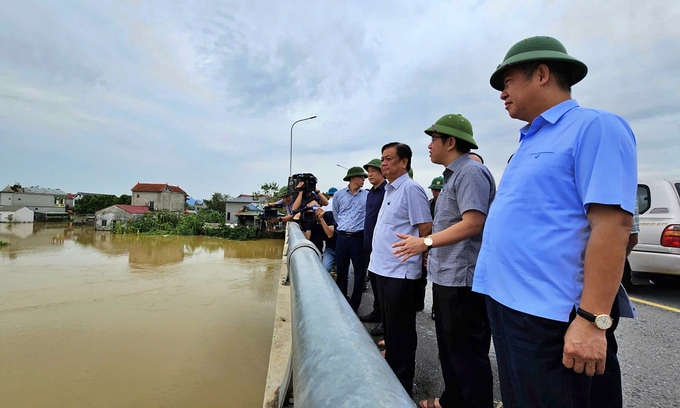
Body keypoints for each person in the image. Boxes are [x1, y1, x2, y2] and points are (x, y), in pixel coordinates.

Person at [472, 36, 637, 407]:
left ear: (542, 74)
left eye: (508, 81)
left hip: (553, 319)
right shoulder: (529, 141)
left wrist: (593, 321)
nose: (502, 93)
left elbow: (613, 226)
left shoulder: (594, 127)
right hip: (510, 308)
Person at [393, 114, 496, 408]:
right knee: (451, 349)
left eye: (433, 140)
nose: (428, 146)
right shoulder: (456, 174)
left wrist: (425, 242)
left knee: (467, 352)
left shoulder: (471, 173)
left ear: (450, 142)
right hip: (447, 275)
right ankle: (453, 401)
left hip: (462, 279)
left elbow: (473, 223)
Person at [368, 142, 432, 396]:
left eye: (389, 159)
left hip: (400, 272)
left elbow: (425, 228)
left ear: (404, 162)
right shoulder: (389, 190)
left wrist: (421, 253)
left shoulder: (411, 189)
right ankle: (392, 372)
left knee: (401, 330)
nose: (383, 163)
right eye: (382, 159)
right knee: (390, 327)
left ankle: (401, 386)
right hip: (382, 268)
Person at [332, 166, 369, 312]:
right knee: (341, 270)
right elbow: (336, 215)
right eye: (361, 177)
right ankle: (341, 301)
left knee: (360, 273)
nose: (364, 180)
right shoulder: (339, 195)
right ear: (353, 178)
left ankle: (354, 305)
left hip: (359, 238)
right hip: (342, 237)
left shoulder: (366, 195)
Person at [358, 158, 387, 337]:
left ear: (382, 172)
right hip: (369, 243)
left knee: (383, 285)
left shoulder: (386, 192)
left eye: (373, 171)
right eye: (368, 171)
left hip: (382, 246)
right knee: (375, 281)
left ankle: (386, 320)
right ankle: (377, 311)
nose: (369, 174)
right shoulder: (372, 193)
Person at [426, 175, 444, 320]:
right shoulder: (429, 204)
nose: (436, 193)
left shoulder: (447, 205)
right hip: (427, 242)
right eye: (434, 190)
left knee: (439, 278)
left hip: (442, 243)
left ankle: (436, 308)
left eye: (439, 190)